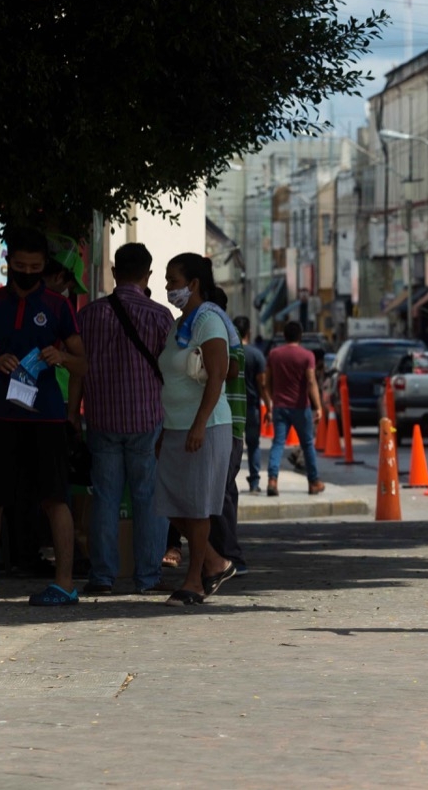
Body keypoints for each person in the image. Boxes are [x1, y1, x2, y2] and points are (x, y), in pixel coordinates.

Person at [0, 226, 87, 606]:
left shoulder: (60, 307)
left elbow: (83, 364)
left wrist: (61, 356)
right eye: (21, 264)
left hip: (46, 419)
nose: (28, 271)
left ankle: (63, 584)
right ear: (8, 263)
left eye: (36, 266)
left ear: (45, 267)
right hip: (0, 417)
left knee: (54, 499)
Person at [70, 242, 173, 595]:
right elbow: (171, 372)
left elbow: (78, 372)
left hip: (101, 418)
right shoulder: (160, 316)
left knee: (105, 498)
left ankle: (102, 576)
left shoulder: (88, 315)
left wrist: (73, 413)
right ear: (149, 274)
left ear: (114, 272)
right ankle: (147, 578)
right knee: (148, 499)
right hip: (148, 420)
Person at [153, 253, 238, 607]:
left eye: (173, 280)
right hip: (175, 425)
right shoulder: (179, 325)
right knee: (168, 501)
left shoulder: (208, 321)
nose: (168, 287)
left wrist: (200, 423)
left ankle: (195, 580)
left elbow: (220, 374)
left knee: (198, 506)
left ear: (193, 285)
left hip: (206, 425)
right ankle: (216, 561)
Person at [205, 289, 249, 581]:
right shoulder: (228, 332)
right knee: (224, 492)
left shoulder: (223, 333)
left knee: (220, 493)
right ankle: (223, 554)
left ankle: (227, 556)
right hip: (230, 423)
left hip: (227, 423)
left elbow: (229, 371)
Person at [263, 320, 324, 496]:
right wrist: (318, 406)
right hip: (300, 406)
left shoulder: (274, 354)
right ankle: (313, 482)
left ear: (284, 336)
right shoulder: (307, 356)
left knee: (278, 444)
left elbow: (266, 382)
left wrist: (270, 401)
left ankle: (272, 481)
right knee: (307, 444)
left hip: (280, 406)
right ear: (300, 336)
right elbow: (311, 381)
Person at [234, 316, 267, 494]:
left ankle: (229, 480)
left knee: (233, 445)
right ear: (248, 332)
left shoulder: (229, 352)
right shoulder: (256, 355)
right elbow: (262, 384)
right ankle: (254, 483)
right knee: (253, 445)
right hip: (252, 407)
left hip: (233, 407)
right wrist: (268, 405)